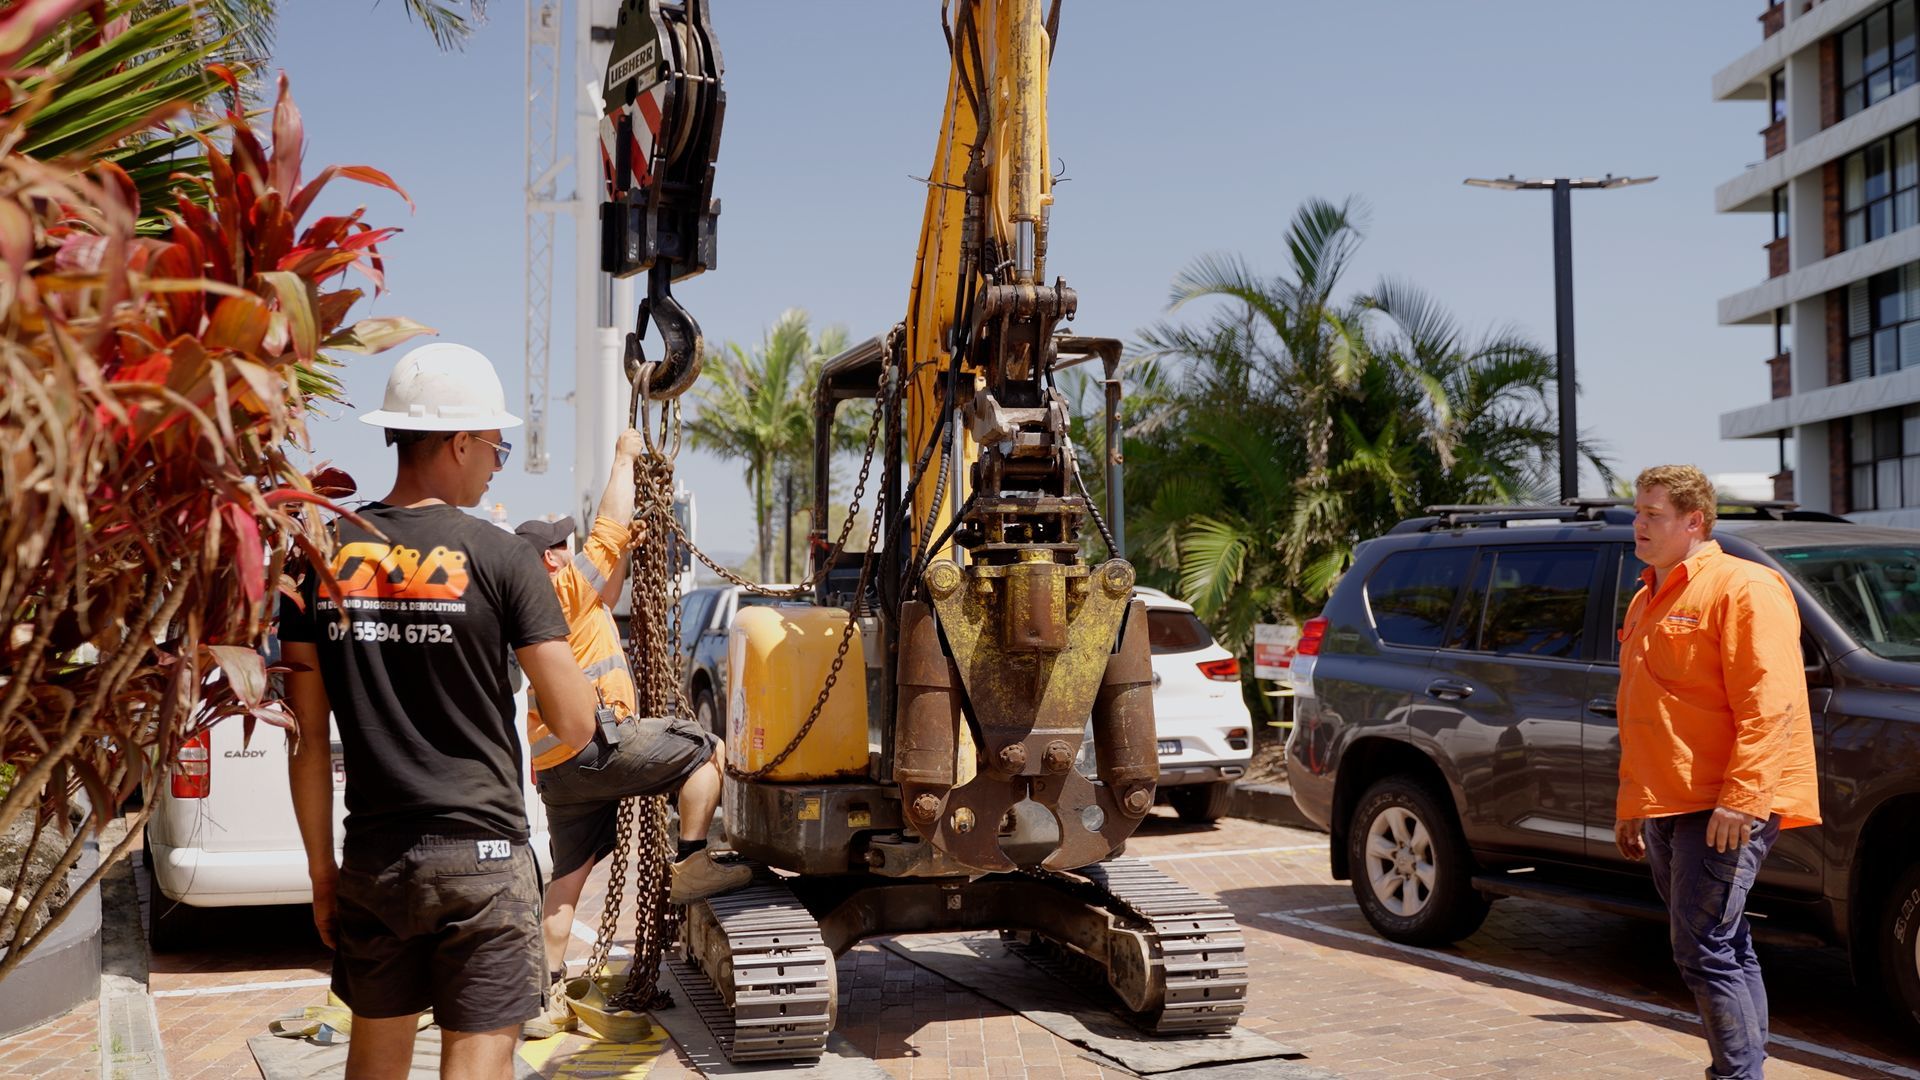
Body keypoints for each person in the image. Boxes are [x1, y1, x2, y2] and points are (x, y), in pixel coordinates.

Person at [280, 342, 600, 1080]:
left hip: (375, 859)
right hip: (483, 862)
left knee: (375, 1065)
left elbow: (303, 741)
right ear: (459, 442)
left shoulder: (319, 554)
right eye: (496, 447)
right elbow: (576, 723)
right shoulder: (501, 556)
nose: (495, 464)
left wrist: (323, 875)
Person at [517, 429, 749, 1033]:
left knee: (565, 888)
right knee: (706, 750)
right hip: (598, 746)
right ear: (550, 557)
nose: (574, 553)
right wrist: (623, 455)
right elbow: (604, 532)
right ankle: (694, 859)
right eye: (565, 547)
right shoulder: (557, 588)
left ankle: (541, 1002)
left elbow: (608, 586)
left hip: (559, 772)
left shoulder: (552, 604)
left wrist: (621, 552)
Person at [1615, 464, 1821, 1080]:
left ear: (1693, 522)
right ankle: (1746, 1069)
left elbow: (1772, 699)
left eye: (1653, 514)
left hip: (1725, 803)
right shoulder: (1647, 592)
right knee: (1722, 944)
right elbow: (1641, 706)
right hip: (1667, 800)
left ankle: (1737, 1076)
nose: (1639, 524)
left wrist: (1745, 797)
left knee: (1699, 948)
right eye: (1638, 512)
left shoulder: (1743, 586)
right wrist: (1632, 803)